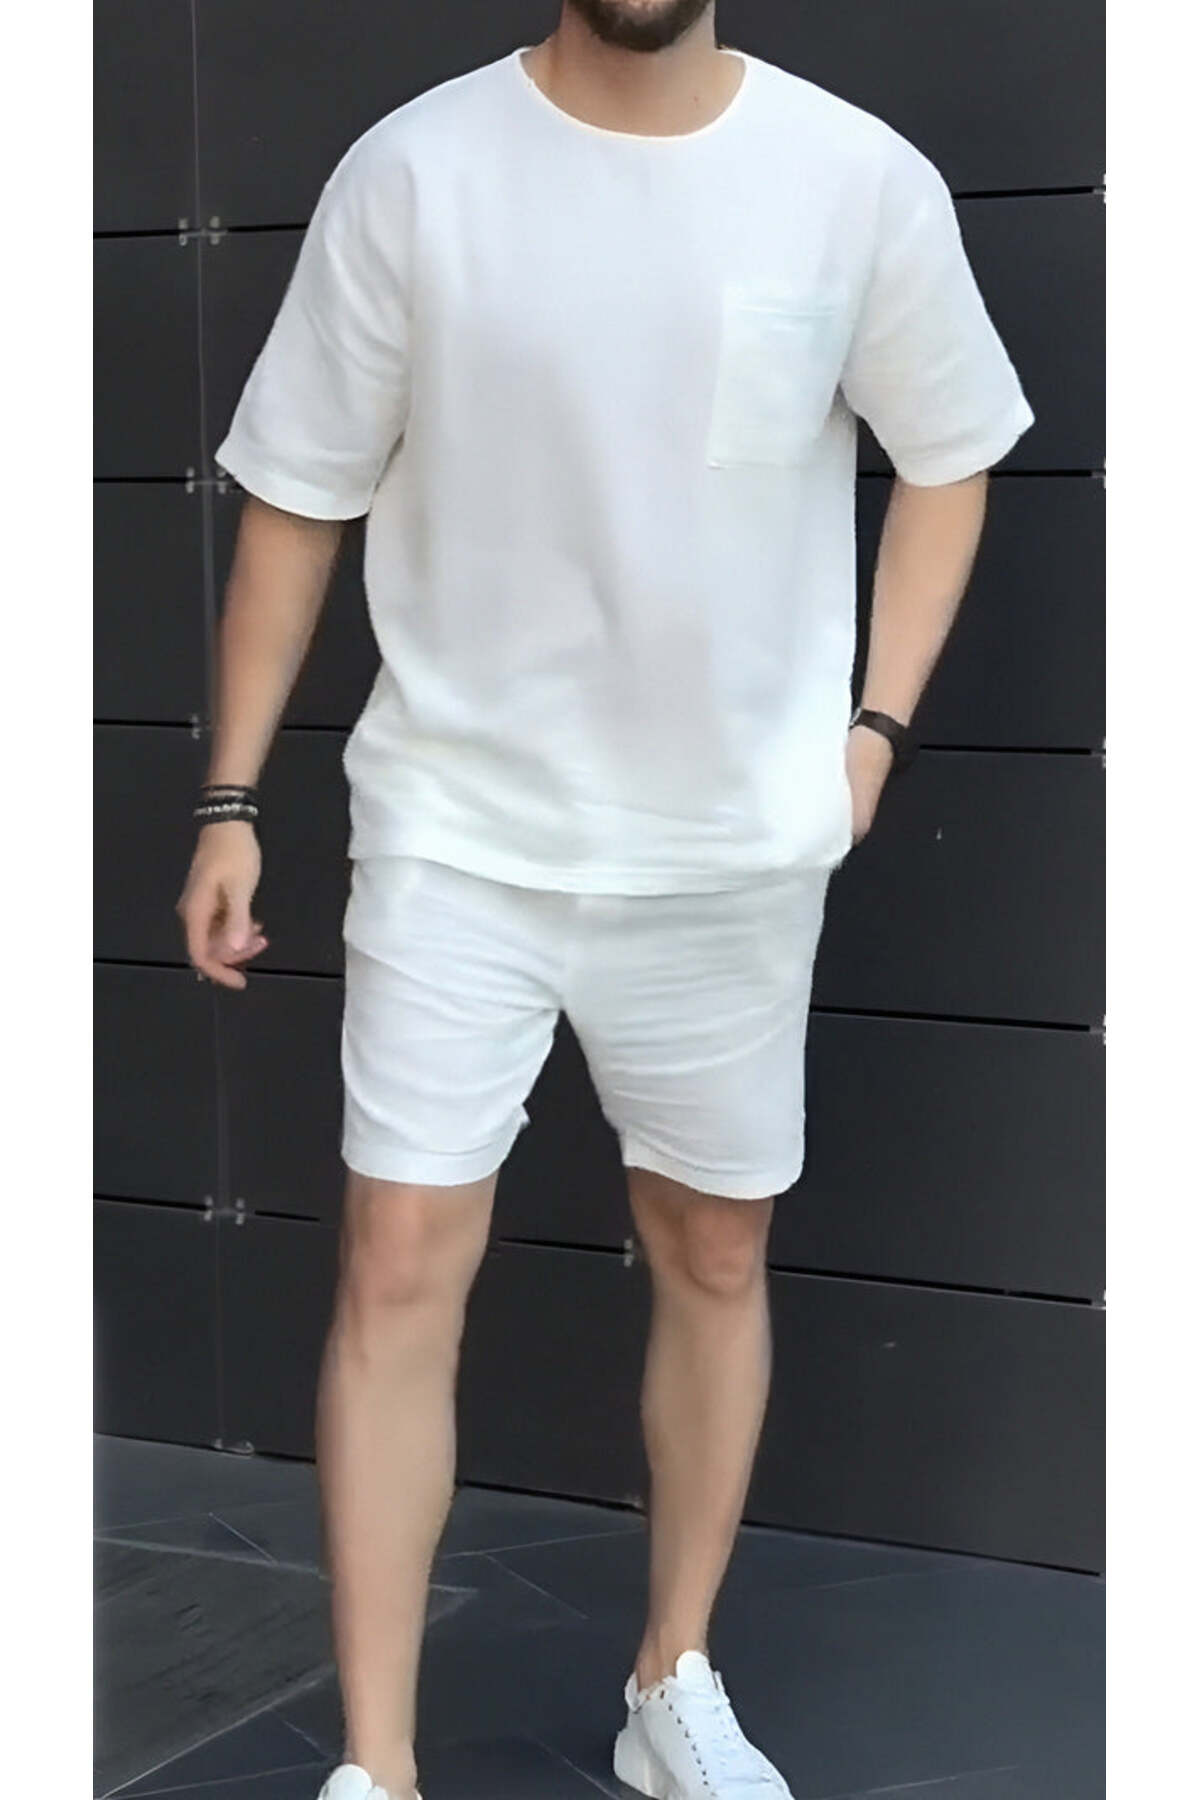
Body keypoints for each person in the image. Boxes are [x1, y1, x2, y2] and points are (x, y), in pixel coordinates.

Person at [176, 4, 1035, 1796]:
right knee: (396, 1264)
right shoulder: (417, 173)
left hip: (729, 849)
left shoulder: (852, 175)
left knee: (715, 1252)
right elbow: (298, 494)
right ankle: (380, 1766)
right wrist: (231, 796)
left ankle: (671, 1683)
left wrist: (872, 732)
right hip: (457, 827)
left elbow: (952, 447)